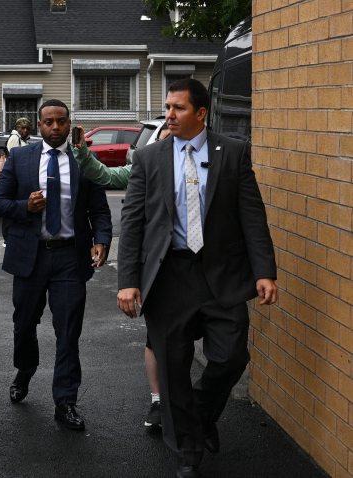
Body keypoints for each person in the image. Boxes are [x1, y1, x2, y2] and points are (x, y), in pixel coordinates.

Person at [116, 79, 277, 478]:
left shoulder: (233, 153)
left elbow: (251, 217)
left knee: (230, 356)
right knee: (172, 368)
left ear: (201, 113)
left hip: (221, 275)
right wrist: (128, 280)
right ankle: (187, 451)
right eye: (167, 107)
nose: (168, 115)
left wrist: (264, 271)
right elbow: (133, 223)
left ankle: (201, 416)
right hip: (168, 276)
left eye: (178, 109)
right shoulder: (149, 158)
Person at [0, 99, 112, 431]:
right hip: (30, 256)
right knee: (24, 325)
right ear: (38, 125)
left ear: (69, 123)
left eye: (61, 121)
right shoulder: (20, 158)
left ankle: (65, 401)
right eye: (49, 122)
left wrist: (101, 240)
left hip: (69, 258)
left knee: (68, 330)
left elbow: (100, 211)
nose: (55, 127)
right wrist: (25, 207)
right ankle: (25, 369)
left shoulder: (83, 161)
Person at [71, 125, 172, 429]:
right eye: (165, 141)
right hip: (157, 265)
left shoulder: (206, 165)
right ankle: (158, 400)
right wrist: (83, 153)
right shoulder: (147, 165)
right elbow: (107, 177)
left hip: (199, 269)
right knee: (156, 336)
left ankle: (189, 401)